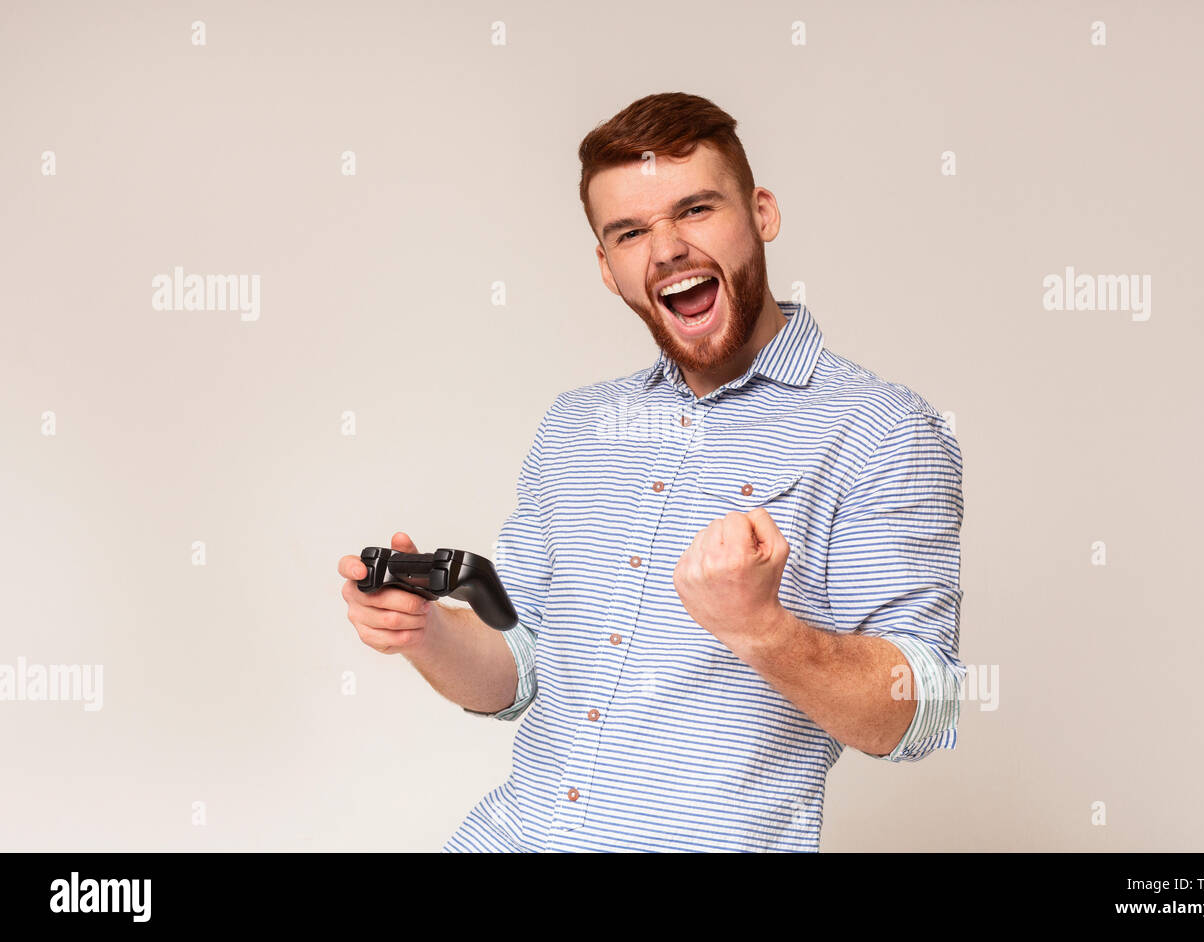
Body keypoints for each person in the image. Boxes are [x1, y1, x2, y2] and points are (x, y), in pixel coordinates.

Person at [338, 92, 967, 852]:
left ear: (761, 213)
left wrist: (760, 628)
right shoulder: (575, 425)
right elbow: (521, 668)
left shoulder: (882, 429)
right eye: (630, 231)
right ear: (608, 268)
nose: (665, 248)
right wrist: (427, 634)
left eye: (695, 209)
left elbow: (921, 708)